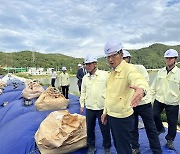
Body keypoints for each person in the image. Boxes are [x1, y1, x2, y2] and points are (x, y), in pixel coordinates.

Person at [101, 40, 149, 154]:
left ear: (121, 54)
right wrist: (105, 112)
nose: (111, 59)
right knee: (118, 145)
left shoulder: (129, 69)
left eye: (113, 55)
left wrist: (141, 89)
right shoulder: (112, 73)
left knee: (124, 148)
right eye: (108, 57)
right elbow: (109, 95)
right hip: (112, 116)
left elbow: (138, 79)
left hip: (122, 118)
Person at [123, 50, 162, 154]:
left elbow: (145, 81)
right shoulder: (121, 73)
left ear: (129, 59)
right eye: (122, 59)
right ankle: (135, 147)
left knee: (151, 128)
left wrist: (140, 90)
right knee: (133, 128)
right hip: (131, 105)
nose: (124, 61)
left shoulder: (139, 68)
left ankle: (156, 150)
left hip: (144, 104)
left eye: (125, 58)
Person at [80, 55, 111, 154]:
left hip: (102, 107)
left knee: (105, 128)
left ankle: (107, 147)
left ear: (95, 64)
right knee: (89, 129)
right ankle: (91, 146)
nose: (87, 66)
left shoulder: (104, 75)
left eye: (90, 64)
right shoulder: (85, 78)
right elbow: (83, 92)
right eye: (86, 64)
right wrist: (82, 104)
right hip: (90, 107)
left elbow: (110, 90)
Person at [150, 49, 180, 150]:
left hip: (172, 102)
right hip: (159, 99)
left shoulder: (178, 73)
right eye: (166, 58)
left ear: (175, 59)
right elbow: (153, 86)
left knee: (172, 123)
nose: (168, 60)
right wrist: (148, 97)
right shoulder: (161, 71)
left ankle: (170, 140)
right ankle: (160, 128)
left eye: (170, 58)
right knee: (154, 115)